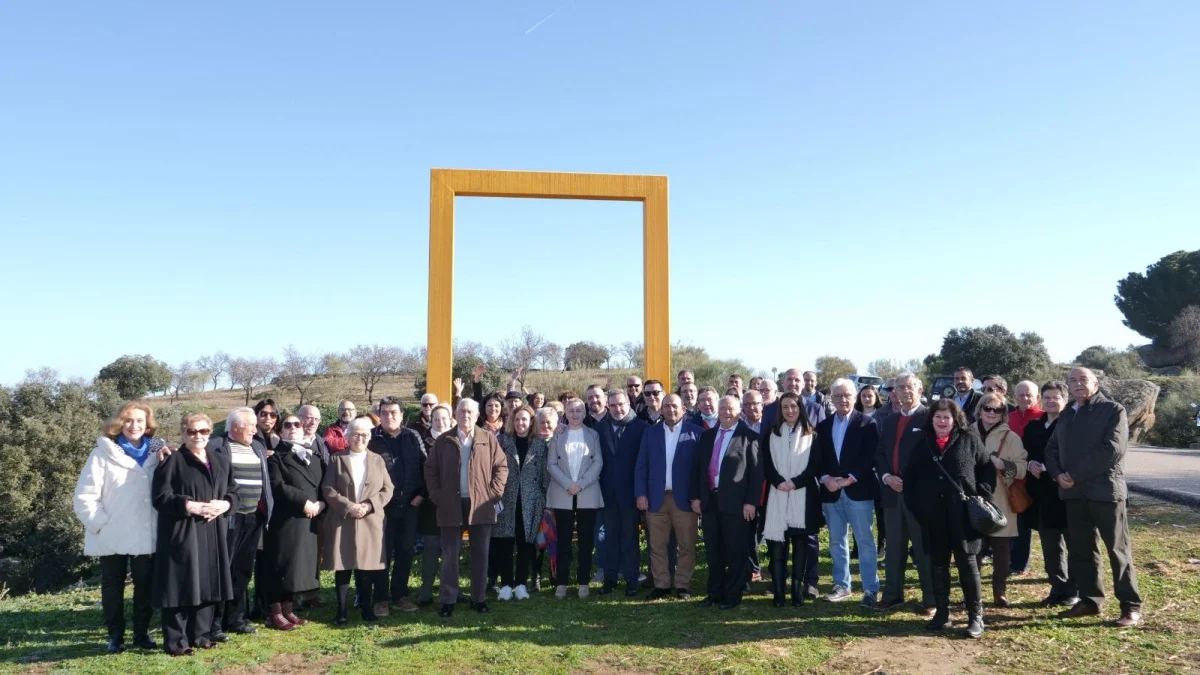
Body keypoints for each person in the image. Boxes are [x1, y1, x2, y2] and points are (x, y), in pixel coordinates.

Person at [1045, 367, 1143, 628]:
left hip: (1105, 492)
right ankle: (1090, 601)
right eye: (1072, 381)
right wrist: (1057, 474)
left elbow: (1112, 450)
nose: (1077, 384)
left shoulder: (1113, 410)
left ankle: (1130, 606)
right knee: (1081, 550)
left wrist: (1073, 473)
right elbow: (1051, 448)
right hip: (1073, 495)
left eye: (1083, 379)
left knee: (1117, 550)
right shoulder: (1067, 414)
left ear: (1096, 383)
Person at [74, 402, 165, 653]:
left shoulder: (157, 453)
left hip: (145, 531)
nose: (134, 426)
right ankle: (115, 635)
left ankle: (141, 633)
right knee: (113, 585)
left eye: (139, 421)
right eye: (128, 420)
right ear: (119, 423)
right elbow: (84, 496)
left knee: (144, 584)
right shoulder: (102, 453)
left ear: (147, 425)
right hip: (111, 532)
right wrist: (100, 524)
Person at [902, 399, 995, 639]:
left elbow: (986, 467)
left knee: (968, 564)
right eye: (938, 417)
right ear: (931, 419)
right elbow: (909, 478)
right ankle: (943, 613)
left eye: (947, 417)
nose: (942, 422)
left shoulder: (969, 439)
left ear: (955, 420)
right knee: (939, 565)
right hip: (933, 516)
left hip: (963, 516)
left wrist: (982, 495)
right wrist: (918, 508)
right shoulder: (922, 443)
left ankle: (976, 617)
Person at [152, 413, 238, 656]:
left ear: (210, 433)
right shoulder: (172, 460)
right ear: (183, 433)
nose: (198, 436)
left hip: (213, 530)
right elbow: (160, 498)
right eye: (192, 432)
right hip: (182, 531)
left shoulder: (221, 460)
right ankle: (176, 642)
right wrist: (190, 505)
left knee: (209, 582)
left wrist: (226, 504)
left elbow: (233, 490)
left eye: (203, 431)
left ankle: (200, 635)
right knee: (179, 585)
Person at [426, 398, 509, 617]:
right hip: (450, 504)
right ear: (455, 413)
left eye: (470, 411)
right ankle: (448, 599)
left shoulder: (488, 439)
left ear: (477, 414)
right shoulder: (444, 440)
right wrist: (437, 496)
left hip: (481, 504)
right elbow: (430, 470)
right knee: (450, 554)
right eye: (462, 410)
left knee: (481, 554)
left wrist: (494, 494)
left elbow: (501, 467)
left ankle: (478, 598)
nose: (466, 415)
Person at [691, 395, 763, 610]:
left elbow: (757, 474)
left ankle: (733, 594)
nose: (726, 412)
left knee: (735, 551)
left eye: (730, 408)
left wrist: (751, 502)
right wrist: (696, 497)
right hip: (710, 501)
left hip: (737, 504)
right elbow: (697, 470)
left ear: (739, 411)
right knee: (713, 550)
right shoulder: (707, 436)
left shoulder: (749, 437)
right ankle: (714, 592)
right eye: (722, 408)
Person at [762, 367, 828, 600]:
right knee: (778, 546)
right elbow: (767, 463)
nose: (790, 410)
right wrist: (779, 482)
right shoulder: (772, 434)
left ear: (801, 408)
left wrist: (796, 483)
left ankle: (798, 591)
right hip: (778, 494)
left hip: (803, 494)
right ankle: (779, 591)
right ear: (780, 410)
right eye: (785, 407)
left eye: (794, 406)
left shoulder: (813, 434)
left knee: (801, 546)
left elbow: (815, 465)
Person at [322, 418, 393, 626]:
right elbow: (328, 489)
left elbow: (387, 489)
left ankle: (365, 607)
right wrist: (348, 506)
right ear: (347, 435)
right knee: (343, 565)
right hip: (343, 518)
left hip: (369, 520)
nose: (360, 438)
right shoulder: (336, 459)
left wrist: (369, 505)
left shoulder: (377, 460)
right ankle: (341, 610)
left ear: (370, 437)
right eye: (355, 434)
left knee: (365, 566)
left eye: (364, 434)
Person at [816, 379, 881, 607]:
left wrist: (848, 479)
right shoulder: (823, 427)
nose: (842, 400)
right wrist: (825, 479)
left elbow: (869, 457)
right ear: (831, 399)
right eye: (838, 396)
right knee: (836, 542)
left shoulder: (867, 423)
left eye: (847, 395)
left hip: (858, 491)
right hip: (831, 492)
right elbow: (818, 458)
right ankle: (841, 585)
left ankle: (870, 589)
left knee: (864, 542)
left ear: (854, 397)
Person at [210, 407, 273, 638]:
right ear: (235, 426)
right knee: (223, 570)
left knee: (243, 570)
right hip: (229, 518)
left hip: (253, 516)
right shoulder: (216, 446)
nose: (256, 430)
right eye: (252, 425)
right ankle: (214, 624)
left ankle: (236, 618)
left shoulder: (257, 446)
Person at [875, 373, 935, 615]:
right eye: (900, 387)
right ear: (894, 392)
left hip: (918, 496)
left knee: (922, 549)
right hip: (891, 493)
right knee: (894, 548)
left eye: (910, 387)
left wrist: (910, 481)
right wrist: (887, 477)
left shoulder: (929, 418)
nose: (905, 391)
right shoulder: (889, 420)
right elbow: (880, 455)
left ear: (920, 390)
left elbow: (933, 457)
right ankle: (892, 595)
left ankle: (931, 599)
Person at [261, 414, 325, 631]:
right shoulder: (274, 457)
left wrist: (321, 505)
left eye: (296, 424)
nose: (292, 428)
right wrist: (304, 502)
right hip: (286, 518)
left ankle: (289, 609)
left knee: (296, 567)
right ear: (280, 431)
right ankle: (275, 612)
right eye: (286, 425)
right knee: (280, 564)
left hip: (310, 518)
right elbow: (277, 486)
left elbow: (323, 485)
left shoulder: (314, 456)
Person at [635, 394, 702, 600]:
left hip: (685, 500)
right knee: (656, 545)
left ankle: (683, 585)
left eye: (675, 406)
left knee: (687, 544)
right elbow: (641, 465)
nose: (670, 410)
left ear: (683, 408)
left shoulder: (696, 433)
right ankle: (662, 584)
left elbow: (700, 469)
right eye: (666, 406)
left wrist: (698, 497)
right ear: (661, 409)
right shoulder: (651, 433)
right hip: (656, 498)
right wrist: (640, 493)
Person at [1022, 381, 1079, 608]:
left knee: (1073, 544)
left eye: (1055, 397)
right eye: (1046, 397)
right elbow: (1025, 454)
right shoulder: (1034, 427)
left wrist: (1048, 468)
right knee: (1050, 544)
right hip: (1041, 495)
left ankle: (1073, 590)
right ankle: (1057, 588)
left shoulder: (1072, 426)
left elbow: (1073, 457)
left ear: (1064, 400)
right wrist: (1030, 464)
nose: (1050, 401)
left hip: (1066, 492)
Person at [369, 397, 426, 616]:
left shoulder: (413, 436)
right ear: (379, 414)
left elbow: (425, 465)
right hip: (381, 507)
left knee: (405, 552)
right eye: (384, 412)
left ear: (402, 415)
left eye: (393, 412)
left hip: (411, 504)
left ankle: (400, 595)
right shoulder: (372, 438)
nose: (389, 416)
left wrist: (422, 495)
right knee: (381, 553)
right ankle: (381, 598)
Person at [546, 400, 605, 599]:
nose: (575, 413)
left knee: (586, 541)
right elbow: (551, 464)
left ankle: (583, 582)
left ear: (584, 412)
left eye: (579, 410)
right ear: (565, 413)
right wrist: (568, 484)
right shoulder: (558, 434)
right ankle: (561, 583)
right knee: (563, 540)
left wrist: (580, 483)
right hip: (563, 493)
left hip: (587, 492)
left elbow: (598, 462)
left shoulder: (593, 434)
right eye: (571, 410)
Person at [974, 392, 1028, 607]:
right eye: (987, 408)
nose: (991, 413)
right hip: (972, 499)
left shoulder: (1012, 437)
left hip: (1000, 499)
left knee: (1001, 548)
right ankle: (974, 591)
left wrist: (1004, 465)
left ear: (1004, 413)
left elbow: (1022, 469)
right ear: (980, 410)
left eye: (997, 410)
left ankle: (1000, 591)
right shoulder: (966, 433)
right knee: (973, 548)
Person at [596, 390, 649, 597]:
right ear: (607, 406)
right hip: (607, 493)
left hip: (632, 494)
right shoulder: (599, 429)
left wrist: (641, 492)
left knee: (630, 537)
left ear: (629, 404)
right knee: (610, 538)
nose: (618, 409)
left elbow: (644, 463)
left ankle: (631, 579)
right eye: (613, 405)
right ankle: (610, 578)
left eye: (621, 404)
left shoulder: (642, 428)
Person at [494, 406, 550, 600]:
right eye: (517, 419)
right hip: (507, 499)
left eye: (524, 419)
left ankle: (521, 584)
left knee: (526, 543)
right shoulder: (503, 442)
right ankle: (506, 584)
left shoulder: (540, 445)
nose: (520, 423)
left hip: (531, 501)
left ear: (531, 422)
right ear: (512, 420)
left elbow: (545, 475)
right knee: (505, 542)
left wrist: (542, 497)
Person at [416, 403, 454, 606]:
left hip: (454, 503)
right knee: (430, 547)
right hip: (430, 503)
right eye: (437, 418)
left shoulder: (458, 439)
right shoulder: (421, 440)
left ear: (450, 420)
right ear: (431, 420)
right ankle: (426, 590)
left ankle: (450, 590)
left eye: (444, 418)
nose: (440, 421)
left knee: (451, 548)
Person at [1006, 380, 1043, 577]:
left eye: (1029, 395)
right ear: (1015, 397)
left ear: (1037, 397)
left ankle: (1055, 569)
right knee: (1018, 522)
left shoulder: (1044, 417)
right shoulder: (1008, 418)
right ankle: (1018, 563)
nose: (1025, 398)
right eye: (1020, 395)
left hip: (1040, 478)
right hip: (1016, 479)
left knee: (1045, 526)